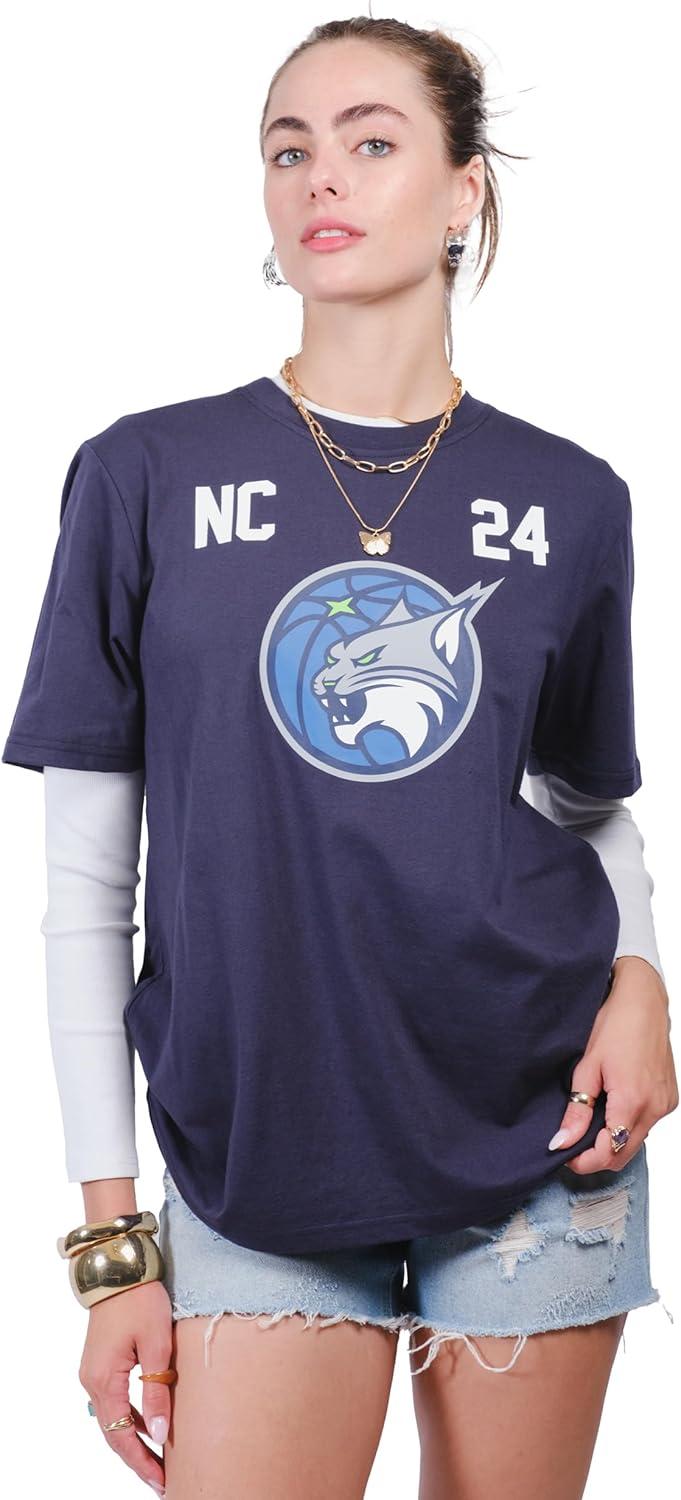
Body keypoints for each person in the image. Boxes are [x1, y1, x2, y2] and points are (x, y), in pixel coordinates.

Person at [3, 16, 678, 1500]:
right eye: (288, 147)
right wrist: (111, 1244)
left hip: (539, 1123)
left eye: (373, 141)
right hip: (259, 1148)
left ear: (463, 191)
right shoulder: (143, 474)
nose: (322, 174)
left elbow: (583, 805)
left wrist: (639, 973)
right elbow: (85, 889)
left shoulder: (571, 498)